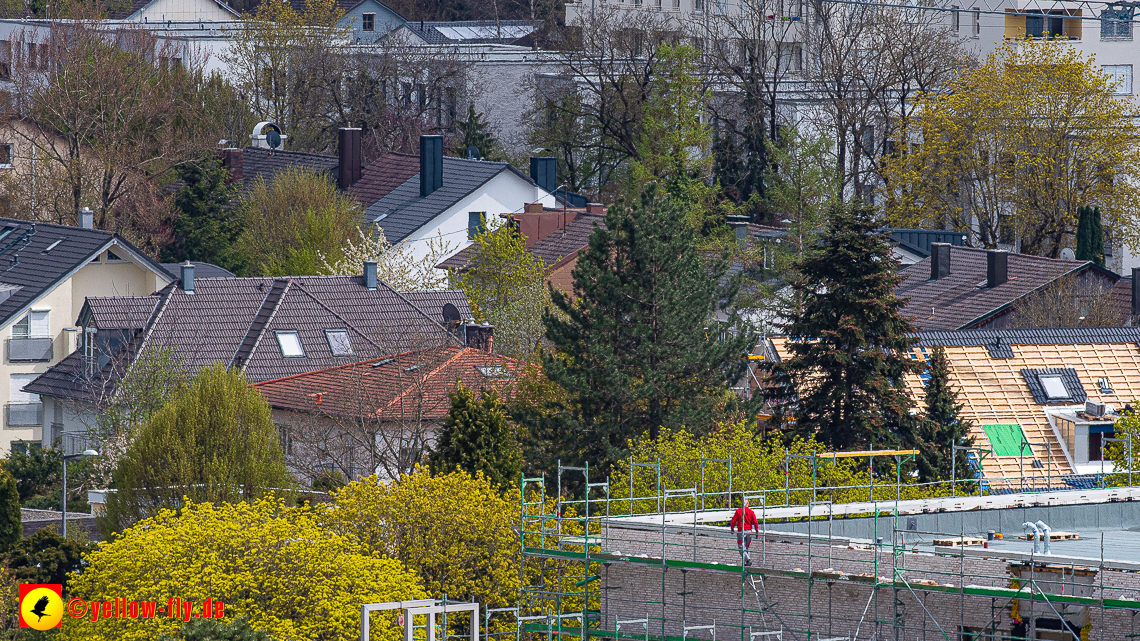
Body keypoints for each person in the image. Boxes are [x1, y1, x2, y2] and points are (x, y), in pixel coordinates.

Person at [730, 496, 760, 566]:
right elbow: (755, 522)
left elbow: (733, 521)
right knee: (747, 547)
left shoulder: (738, 511)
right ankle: (746, 562)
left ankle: (747, 560)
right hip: (749, 532)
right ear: (747, 503)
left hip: (741, 532)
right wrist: (757, 532)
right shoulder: (751, 512)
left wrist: (732, 529)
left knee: (741, 548)